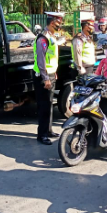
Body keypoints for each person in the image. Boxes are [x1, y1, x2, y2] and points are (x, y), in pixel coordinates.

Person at [33, 12, 65, 145]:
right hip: (43, 76)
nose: (60, 25)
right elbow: (41, 60)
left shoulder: (51, 37)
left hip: (50, 74)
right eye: (59, 23)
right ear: (52, 23)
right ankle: (42, 135)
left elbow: (51, 58)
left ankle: (49, 130)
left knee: (50, 104)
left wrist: (53, 73)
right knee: (44, 106)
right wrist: (46, 78)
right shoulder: (43, 39)